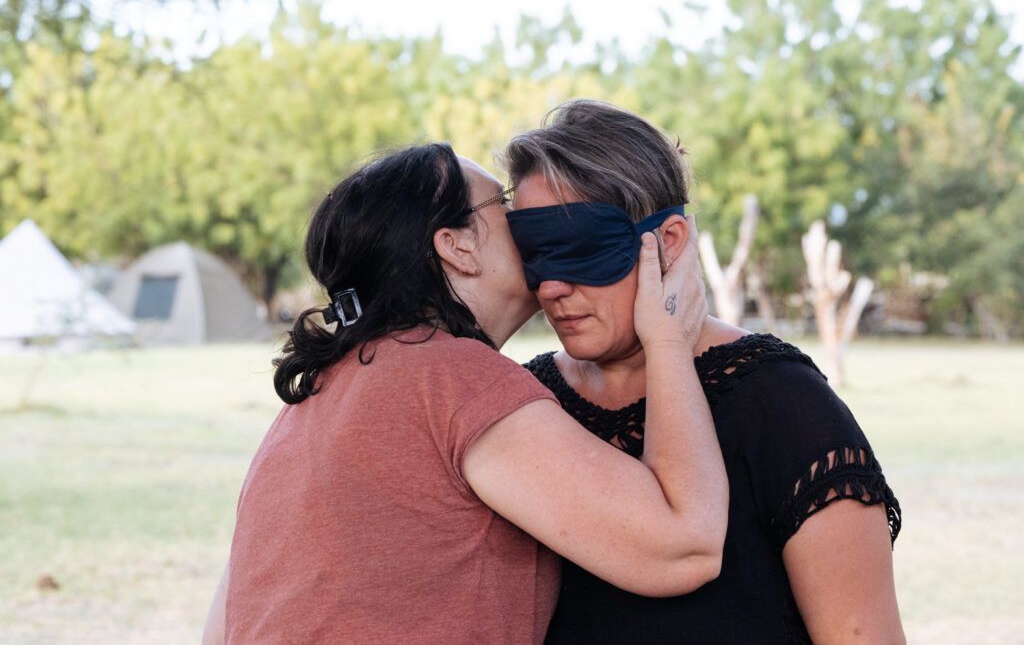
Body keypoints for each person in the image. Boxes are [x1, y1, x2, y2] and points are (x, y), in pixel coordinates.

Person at [202, 142, 728, 644]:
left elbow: (225, 627)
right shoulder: (449, 377)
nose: (524, 219)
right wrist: (667, 341)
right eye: (501, 203)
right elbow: (684, 547)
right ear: (456, 246)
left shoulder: (318, 395)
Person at [503, 100, 905, 644]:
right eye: (534, 253)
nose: (551, 286)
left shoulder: (781, 402)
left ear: (668, 242)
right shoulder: (524, 408)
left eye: (580, 249)